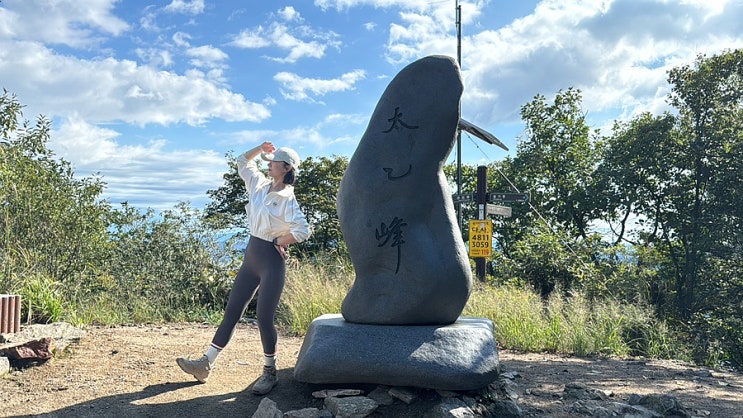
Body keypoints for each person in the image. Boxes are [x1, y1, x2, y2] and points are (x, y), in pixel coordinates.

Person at [176, 141, 311, 395]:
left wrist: (279, 241)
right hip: (251, 258)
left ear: (286, 168)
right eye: (269, 161)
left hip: (271, 262)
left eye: (274, 162)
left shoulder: (288, 199)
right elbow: (242, 161)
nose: (269, 165)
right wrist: (260, 148)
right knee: (232, 311)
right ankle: (205, 364)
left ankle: (270, 372)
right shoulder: (259, 185)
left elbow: (303, 231)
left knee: (264, 318)